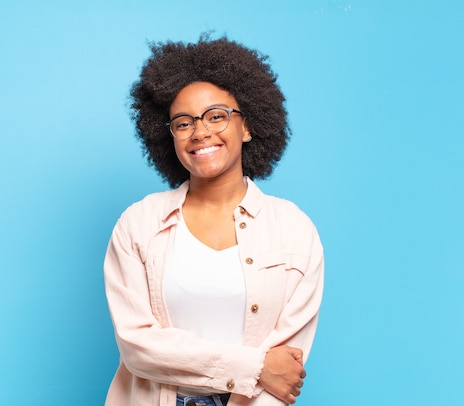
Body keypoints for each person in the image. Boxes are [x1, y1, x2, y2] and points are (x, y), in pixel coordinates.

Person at [103, 35, 324, 406]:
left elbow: (285, 369)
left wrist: (255, 379)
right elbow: (137, 347)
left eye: (217, 116)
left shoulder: (293, 230)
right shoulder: (139, 223)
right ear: (169, 136)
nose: (200, 131)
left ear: (248, 126)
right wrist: (254, 366)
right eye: (183, 122)